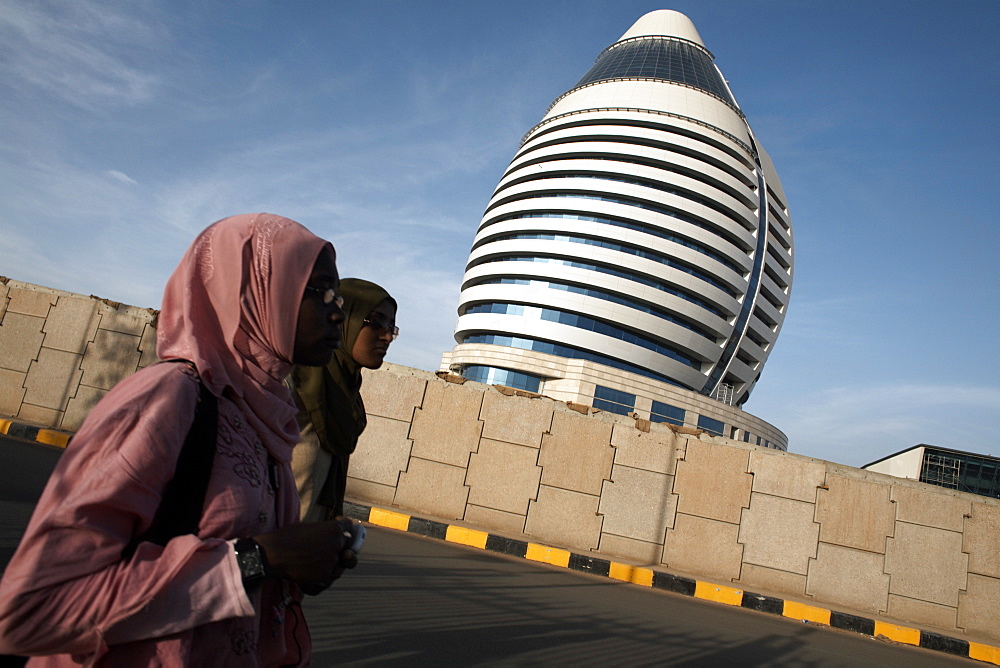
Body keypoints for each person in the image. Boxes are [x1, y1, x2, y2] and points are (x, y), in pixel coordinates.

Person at [0, 213, 360, 666]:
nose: (336, 311)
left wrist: (294, 566)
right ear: (254, 292)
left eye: (339, 297)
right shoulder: (168, 398)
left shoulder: (264, 417)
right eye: (319, 290)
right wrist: (256, 561)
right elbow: (31, 608)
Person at [290, 279, 397, 522]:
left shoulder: (347, 398)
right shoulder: (294, 384)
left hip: (309, 550)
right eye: (378, 322)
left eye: (392, 327)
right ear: (343, 318)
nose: (388, 336)